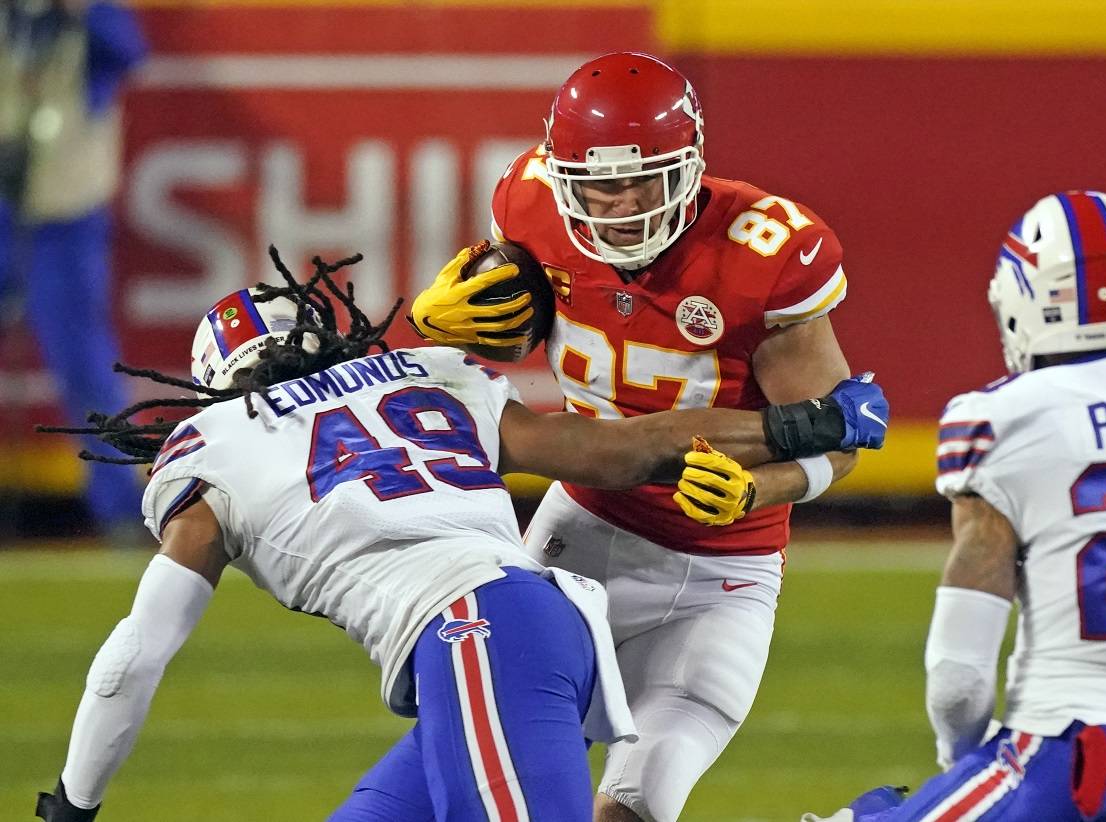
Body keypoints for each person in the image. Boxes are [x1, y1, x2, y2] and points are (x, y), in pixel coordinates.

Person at [33, 248, 882, 822]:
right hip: (520, 629)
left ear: (217, 387)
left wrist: (70, 806)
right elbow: (626, 448)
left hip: (475, 634)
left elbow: (134, 658)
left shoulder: (213, 448)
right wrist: (808, 424)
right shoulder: (423, 378)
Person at [409, 51, 877, 821]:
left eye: (643, 180)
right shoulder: (528, 205)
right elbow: (507, 326)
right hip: (581, 528)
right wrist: (439, 325)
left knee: (633, 807)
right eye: (597, 186)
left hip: (724, 570)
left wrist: (762, 488)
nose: (621, 204)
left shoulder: (763, 251)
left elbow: (841, 438)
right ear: (561, 178)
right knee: (473, 764)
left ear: (690, 167)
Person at [807, 190, 1106, 822]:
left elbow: (960, 677)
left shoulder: (1008, 416)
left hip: (1067, 765)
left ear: (1022, 302)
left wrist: (962, 765)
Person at [1, 0, 147, 537]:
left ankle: (119, 510)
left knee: (82, 360)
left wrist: (79, 13)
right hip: (3, 198)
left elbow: (128, 52)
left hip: (63, 207)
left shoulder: (90, 11)